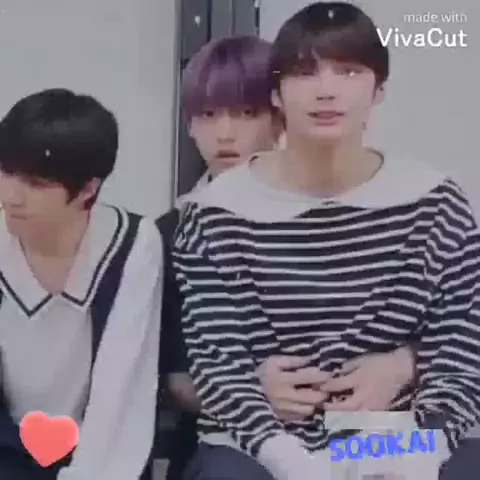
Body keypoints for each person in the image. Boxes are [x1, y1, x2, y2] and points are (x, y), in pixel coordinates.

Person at [172, 3, 480, 480]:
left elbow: (462, 348)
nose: (326, 89)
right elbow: (218, 366)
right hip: (259, 442)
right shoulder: (214, 213)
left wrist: (421, 449)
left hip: (397, 433)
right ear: (276, 93)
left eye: (348, 71)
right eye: (304, 72)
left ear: (379, 90)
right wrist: (293, 462)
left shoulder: (435, 203)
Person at [0, 89, 163, 479]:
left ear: (88, 189)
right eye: (5, 172)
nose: (11, 196)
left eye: (35, 183)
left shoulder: (132, 242)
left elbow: (123, 384)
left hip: (100, 448)